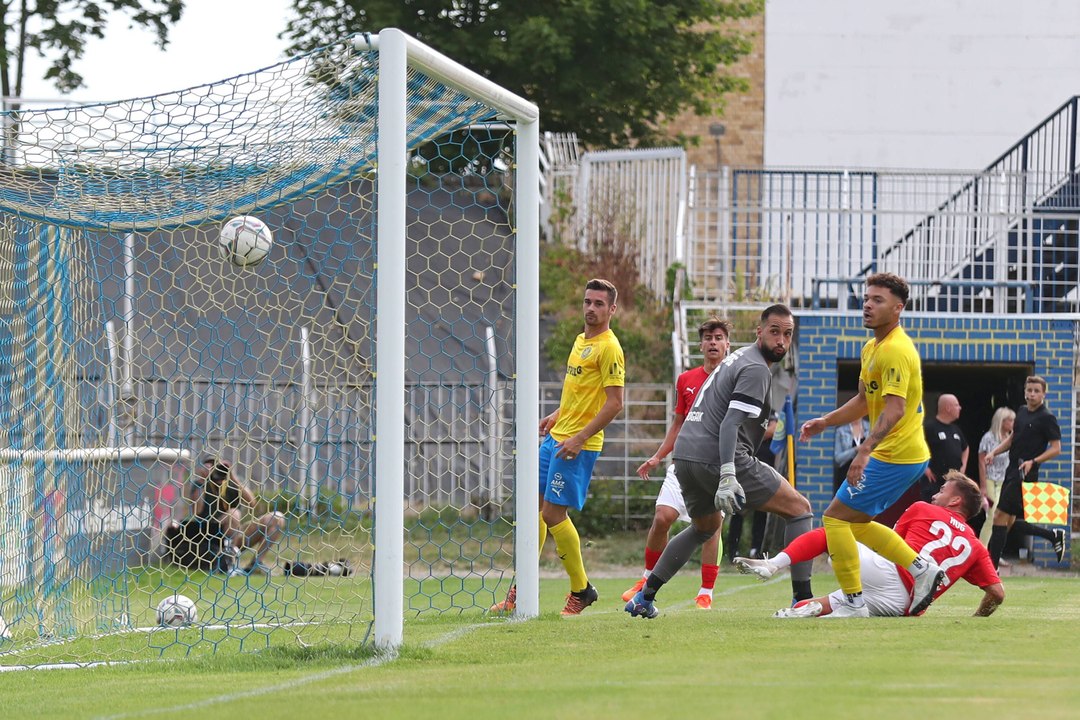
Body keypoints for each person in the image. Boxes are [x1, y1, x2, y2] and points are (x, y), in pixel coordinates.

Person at [625, 304, 815, 619]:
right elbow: (729, 424)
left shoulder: (737, 356)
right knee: (800, 510)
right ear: (759, 332)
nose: (781, 340)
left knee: (704, 527)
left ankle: (645, 596)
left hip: (685, 457)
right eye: (775, 332)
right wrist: (728, 474)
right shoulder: (755, 368)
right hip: (721, 458)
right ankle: (802, 600)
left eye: (787, 334)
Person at [799, 272, 945, 618]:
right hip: (899, 454)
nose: (867, 304)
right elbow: (865, 401)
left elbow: (894, 409)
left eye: (877, 300)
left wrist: (863, 451)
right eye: (866, 298)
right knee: (856, 523)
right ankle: (922, 568)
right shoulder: (871, 347)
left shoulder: (896, 349)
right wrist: (826, 421)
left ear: (898, 308)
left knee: (834, 518)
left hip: (896, 455)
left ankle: (853, 601)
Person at [491, 278, 625, 616]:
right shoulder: (580, 340)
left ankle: (581, 589)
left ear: (612, 309)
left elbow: (614, 403)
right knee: (533, 509)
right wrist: (558, 414)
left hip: (578, 445)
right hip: (557, 438)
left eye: (599, 303)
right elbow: (580, 393)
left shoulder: (610, 347)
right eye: (587, 302)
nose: (591, 308)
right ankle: (520, 590)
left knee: (552, 514)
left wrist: (579, 438)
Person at [736, 471, 1004, 618]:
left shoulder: (923, 508)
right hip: (905, 605)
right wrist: (979, 617)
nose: (935, 495)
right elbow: (997, 594)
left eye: (943, 491)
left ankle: (772, 564)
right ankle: (807, 610)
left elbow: (887, 546)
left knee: (834, 527)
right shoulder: (976, 546)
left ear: (955, 502)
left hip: (891, 574)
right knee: (832, 605)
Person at [623, 316, 732, 610]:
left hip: (715, 465)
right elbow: (679, 424)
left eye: (718, 337)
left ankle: (705, 591)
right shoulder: (686, 380)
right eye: (708, 337)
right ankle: (646, 579)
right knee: (662, 517)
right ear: (700, 345)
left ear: (727, 344)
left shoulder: (733, 378)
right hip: (683, 462)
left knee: (711, 526)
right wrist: (659, 456)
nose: (713, 342)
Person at [984, 376, 1067, 567]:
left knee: (998, 516)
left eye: (1036, 391)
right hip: (1011, 470)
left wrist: (1033, 461)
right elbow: (1013, 438)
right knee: (1008, 522)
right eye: (1029, 390)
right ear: (1025, 392)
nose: (1032, 394)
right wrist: (994, 452)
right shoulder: (1021, 411)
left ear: (1043, 394)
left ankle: (991, 568)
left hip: (1025, 474)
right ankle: (1053, 535)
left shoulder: (1047, 418)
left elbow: (1056, 448)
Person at [168, 456, 285, 575]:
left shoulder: (231, 482)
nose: (216, 471)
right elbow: (197, 511)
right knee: (233, 513)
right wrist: (203, 482)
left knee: (277, 517)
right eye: (211, 467)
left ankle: (256, 563)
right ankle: (228, 561)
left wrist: (233, 477)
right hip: (211, 536)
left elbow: (252, 503)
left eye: (218, 466)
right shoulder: (200, 485)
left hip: (237, 533)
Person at [976, 407, 1015, 543]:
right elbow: (981, 462)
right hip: (991, 480)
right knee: (992, 515)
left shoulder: (1011, 438)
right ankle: (982, 549)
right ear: (1001, 421)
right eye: (1009, 420)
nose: (1012, 422)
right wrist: (983, 487)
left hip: (1005, 480)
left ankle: (996, 549)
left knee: (1009, 517)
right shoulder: (988, 438)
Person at [920, 394, 969, 502]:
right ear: (948, 408)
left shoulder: (956, 429)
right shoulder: (929, 427)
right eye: (957, 405)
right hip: (934, 481)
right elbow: (916, 447)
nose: (960, 408)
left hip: (952, 481)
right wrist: (924, 468)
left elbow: (965, 448)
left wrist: (962, 468)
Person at [834, 417, 871, 495]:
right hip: (846, 474)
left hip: (866, 473)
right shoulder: (841, 431)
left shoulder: (871, 428)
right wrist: (855, 450)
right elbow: (838, 458)